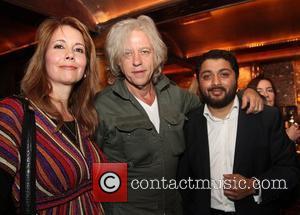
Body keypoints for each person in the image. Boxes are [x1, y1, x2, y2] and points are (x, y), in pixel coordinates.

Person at [94, 15, 263, 214]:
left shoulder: (175, 96)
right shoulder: (103, 105)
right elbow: (100, 170)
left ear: (156, 56)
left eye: (144, 51)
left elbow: (214, 100)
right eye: (127, 54)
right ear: (118, 61)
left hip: (175, 209)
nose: (137, 61)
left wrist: (243, 92)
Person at [0, 17, 104, 214]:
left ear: (85, 68)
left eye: (79, 49)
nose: (70, 55)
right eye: (59, 46)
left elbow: (105, 185)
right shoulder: (13, 113)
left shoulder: (83, 118)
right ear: (42, 59)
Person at [178, 49, 300, 215]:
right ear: (198, 80)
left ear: (236, 77)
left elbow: (290, 171)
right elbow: (184, 179)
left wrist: (254, 186)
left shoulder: (266, 118)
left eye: (224, 74)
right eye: (207, 76)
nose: (215, 82)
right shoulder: (189, 123)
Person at [247, 76, 300, 142]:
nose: (266, 95)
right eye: (259, 91)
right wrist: (287, 139)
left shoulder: (276, 121)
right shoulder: (249, 124)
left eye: (269, 90)